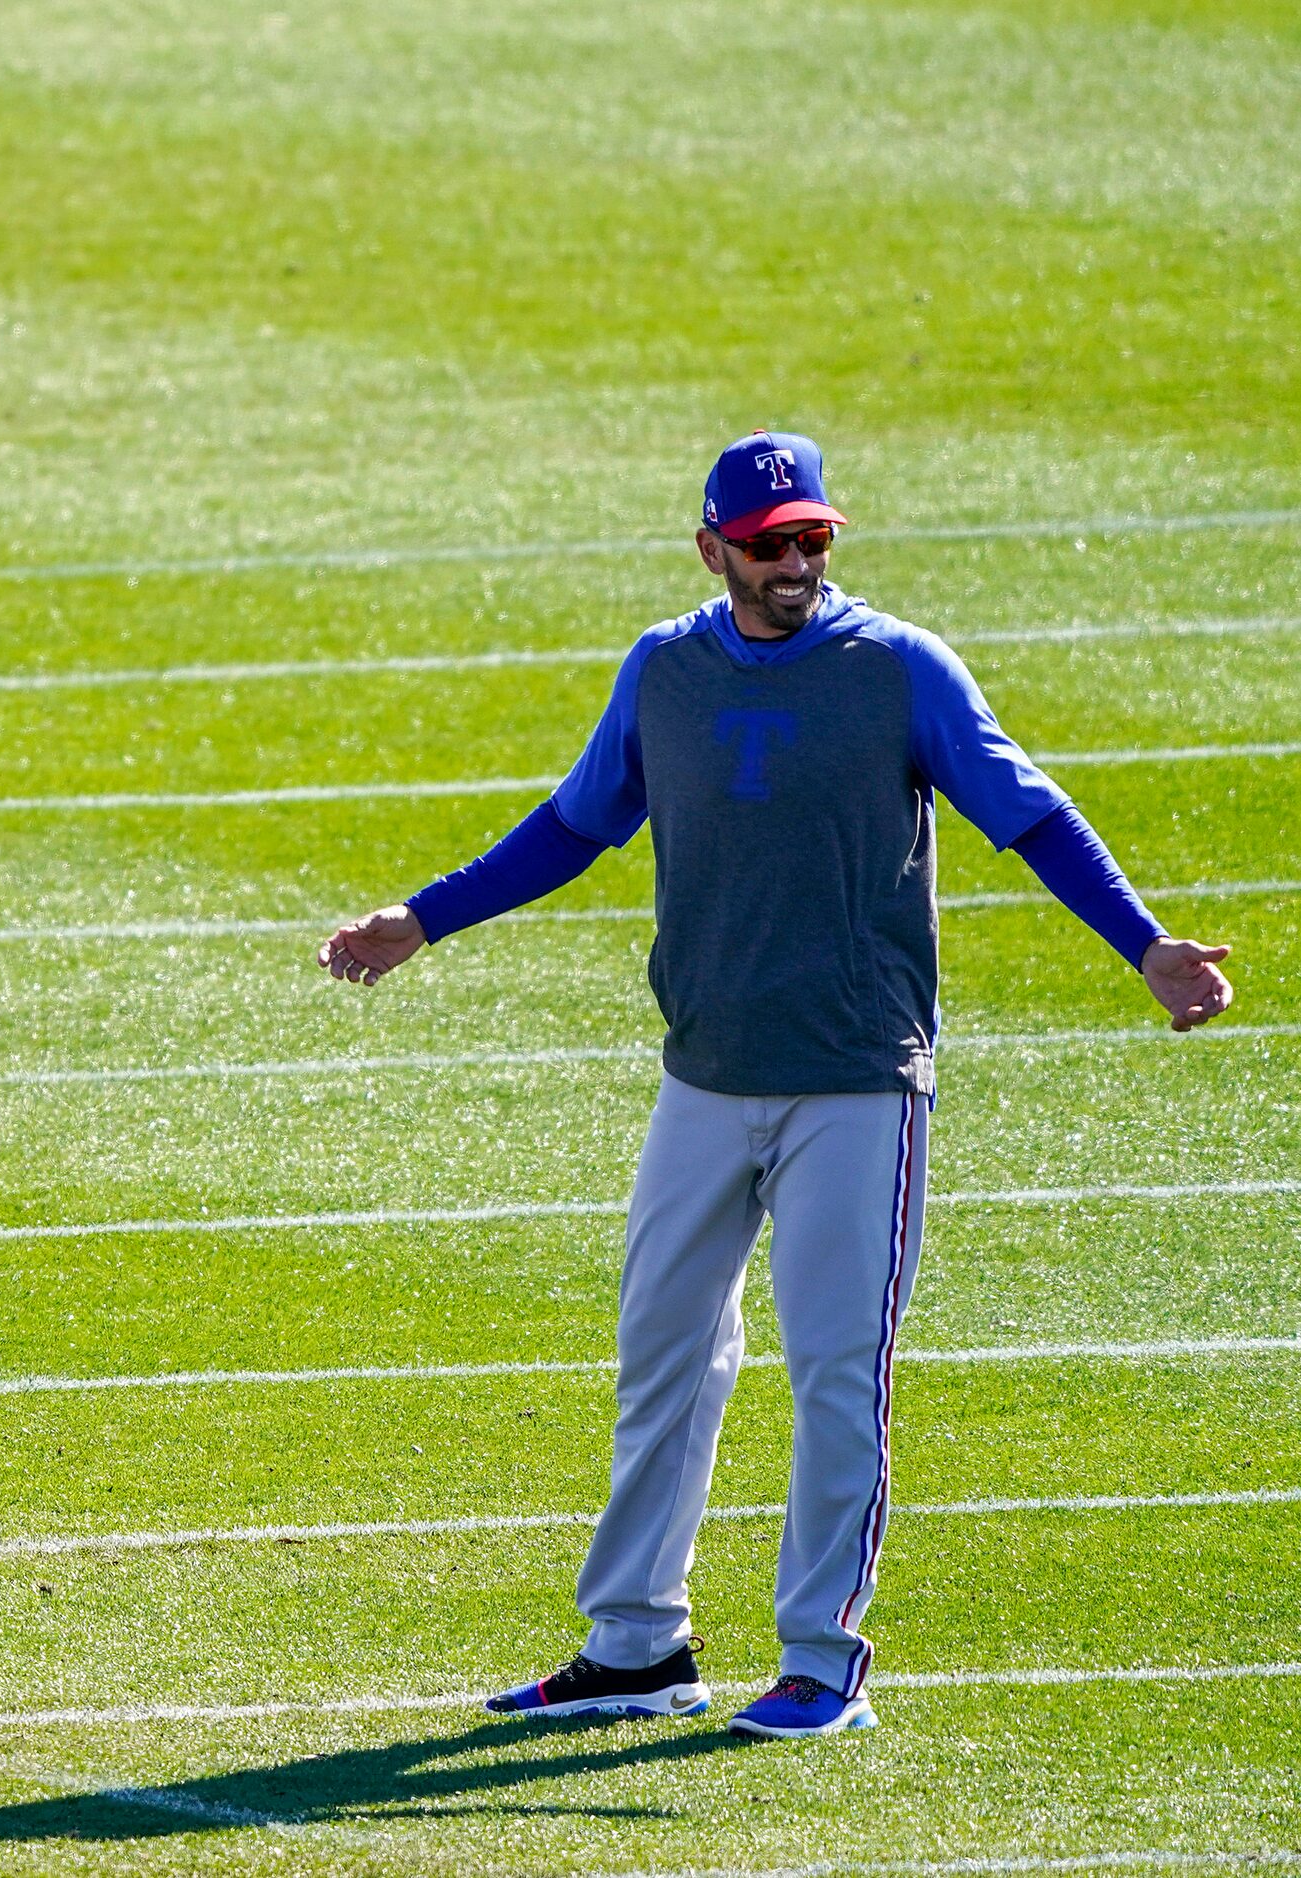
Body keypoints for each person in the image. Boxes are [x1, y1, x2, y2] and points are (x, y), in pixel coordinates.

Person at [320, 431, 1235, 1740]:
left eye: (813, 538)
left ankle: (820, 1658)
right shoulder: (663, 669)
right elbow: (577, 824)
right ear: (713, 551)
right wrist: (424, 917)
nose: (796, 561)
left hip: (856, 1082)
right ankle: (635, 1644)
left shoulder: (898, 670)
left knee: (833, 1371)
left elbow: (1027, 811)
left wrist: (1143, 944)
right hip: (701, 1076)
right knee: (662, 1358)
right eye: (770, 544)